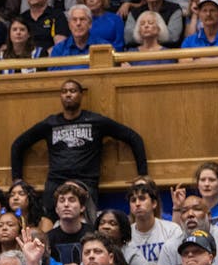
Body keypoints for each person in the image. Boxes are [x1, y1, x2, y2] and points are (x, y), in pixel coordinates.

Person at [9, 79, 147, 216]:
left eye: (73, 91)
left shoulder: (96, 121)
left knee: (88, 225)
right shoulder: (50, 123)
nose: (68, 94)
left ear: (81, 95)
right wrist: (17, 179)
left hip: (85, 181)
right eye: (64, 91)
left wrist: (143, 174)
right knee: (47, 223)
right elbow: (18, 144)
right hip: (56, 181)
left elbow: (133, 137)